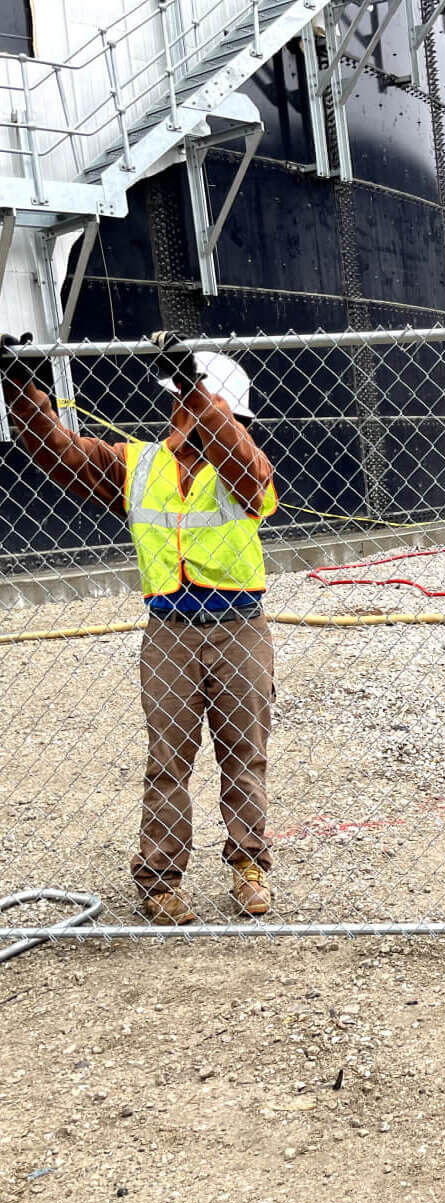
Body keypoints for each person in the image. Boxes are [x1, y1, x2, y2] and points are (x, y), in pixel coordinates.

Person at [1, 331, 277, 926]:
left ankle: (249, 866)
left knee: (244, 755)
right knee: (168, 759)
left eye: (186, 396)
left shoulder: (246, 467)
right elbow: (60, 454)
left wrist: (196, 391)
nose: (177, 410)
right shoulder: (141, 463)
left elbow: (237, 457)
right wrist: (24, 395)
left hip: (240, 626)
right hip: (171, 630)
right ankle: (158, 880)